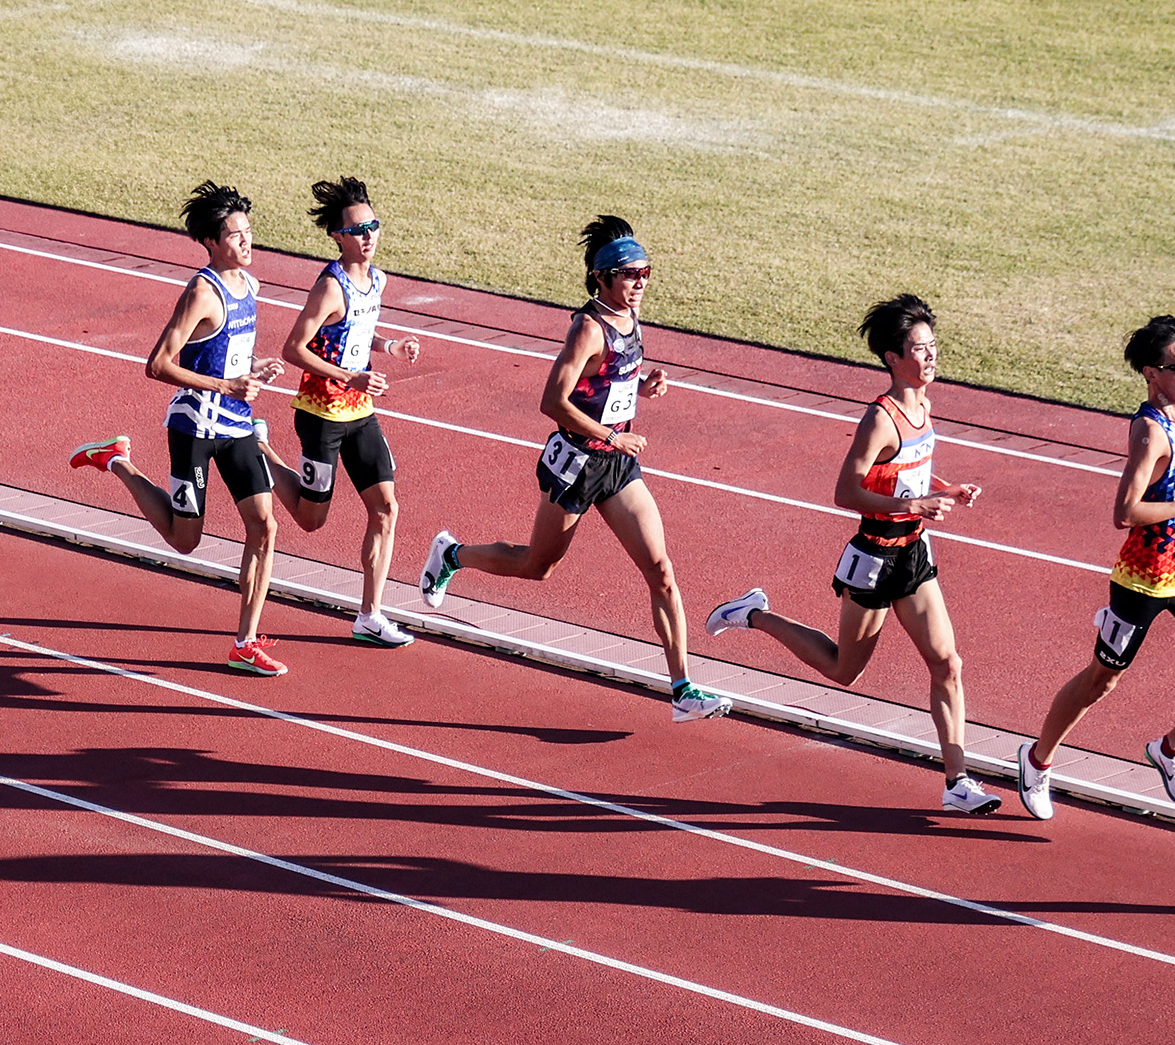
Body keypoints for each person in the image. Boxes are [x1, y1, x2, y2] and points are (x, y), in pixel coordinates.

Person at [418, 216, 730, 722]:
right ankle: (452, 553)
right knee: (537, 566)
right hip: (579, 463)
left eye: (646, 272)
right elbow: (553, 401)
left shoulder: (631, 317)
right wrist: (613, 434)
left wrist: (642, 385)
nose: (641, 282)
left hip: (618, 467)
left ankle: (682, 690)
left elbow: (607, 385)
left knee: (662, 572)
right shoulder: (588, 328)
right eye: (631, 274)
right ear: (602, 278)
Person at [705, 295, 1000, 812]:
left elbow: (907, 471)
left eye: (933, 346)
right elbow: (847, 492)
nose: (931, 357)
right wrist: (917, 502)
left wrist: (946, 492)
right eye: (919, 349)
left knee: (947, 663)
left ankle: (958, 783)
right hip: (875, 556)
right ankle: (754, 613)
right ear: (892, 357)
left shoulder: (924, 405)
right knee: (845, 671)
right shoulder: (880, 418)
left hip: (913, 551)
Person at [1013, 314, 1175, 819]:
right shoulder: (1150, 432)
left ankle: (1170, 751)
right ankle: (1037, 761)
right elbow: (1124, 513)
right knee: (1101, 681)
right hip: (1142, 581)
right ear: (1152, 373)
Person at [66, 181, 292, 675]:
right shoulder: (201, 291)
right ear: (212, 242)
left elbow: (228, 356)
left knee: (265, 526)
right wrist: (226, 384)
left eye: (250, 232)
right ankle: (116, 460)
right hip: (193, 426)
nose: (248, 243)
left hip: (235, 425)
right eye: (236, 236)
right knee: (184, 539)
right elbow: (158, 364)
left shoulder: (250, 287)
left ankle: (245, 642)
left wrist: (253, 372)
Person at [275, 176, 423, 648]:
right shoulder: (330, 288)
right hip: (321, 413)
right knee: (310, 520)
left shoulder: (377, 280)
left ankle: (370, 614)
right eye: (359, 229)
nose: (369, 235)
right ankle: (258, 448)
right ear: (337, 236)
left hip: (360, 411)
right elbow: (294, 348)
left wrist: (389, 345)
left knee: (386, 507)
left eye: (374, 225)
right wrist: (347, 376)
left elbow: (358, 331)